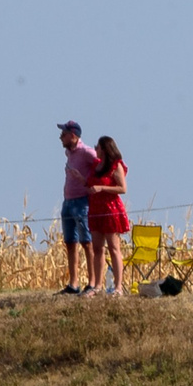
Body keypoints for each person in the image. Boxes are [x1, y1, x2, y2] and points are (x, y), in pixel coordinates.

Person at [57, 121, 100, 294]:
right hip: (68, 201)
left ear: (73, 136)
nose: (61, 137)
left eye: (64, 134)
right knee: (70, 242)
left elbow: (101, 167)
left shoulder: (87, 152)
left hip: (82, 202)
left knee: (87, 242)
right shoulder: (69, 152)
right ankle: (73, 283)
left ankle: (92, 282)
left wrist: (89, 183)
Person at [87, 136, 132, 297]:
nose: (95, 150)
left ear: (104, 149)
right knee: (97, 248)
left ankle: (118, 286)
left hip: (110, 210)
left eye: (97, 147)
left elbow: (122, 188)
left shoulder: (116, 165)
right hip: (95, 209)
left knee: (114, 248)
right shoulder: (95, 165)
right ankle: (97, 285)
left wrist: (102, 188)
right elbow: (90, 183)